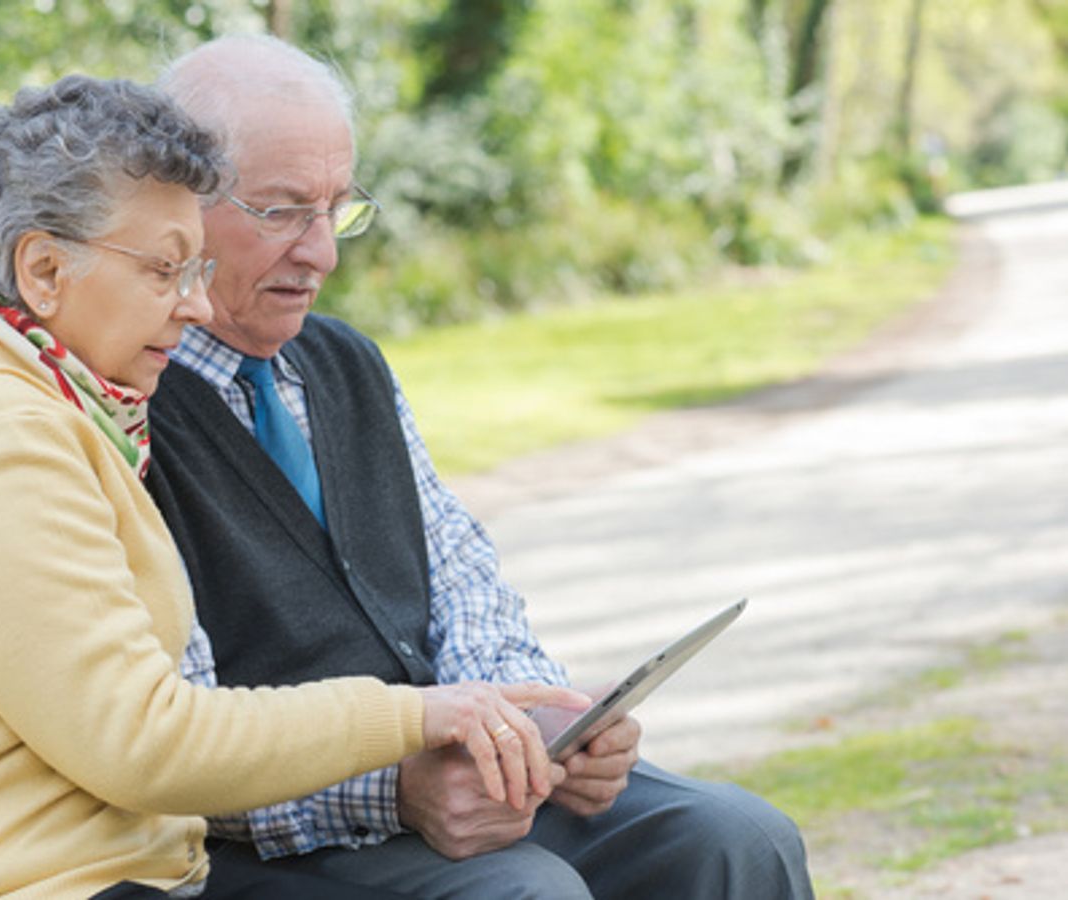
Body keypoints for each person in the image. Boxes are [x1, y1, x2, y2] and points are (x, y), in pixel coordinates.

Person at [0, 74, 582, 900]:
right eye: (165, 270)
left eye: (197, 268)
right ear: (44, 269)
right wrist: (417, 716)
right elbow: (145, 741)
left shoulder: (27, 394)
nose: (195, 306)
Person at [144, 34, 816, 900]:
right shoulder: (125, 404)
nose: (322, 253)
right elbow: (168, 732)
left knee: (736, 840)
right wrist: (395, 790)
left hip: (456, 775)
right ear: (177, 209)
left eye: (337, 209)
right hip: (275, 836)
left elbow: (461, 576)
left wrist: (538, 724)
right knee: (528, 894)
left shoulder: (345, 364)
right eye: (281, 211)